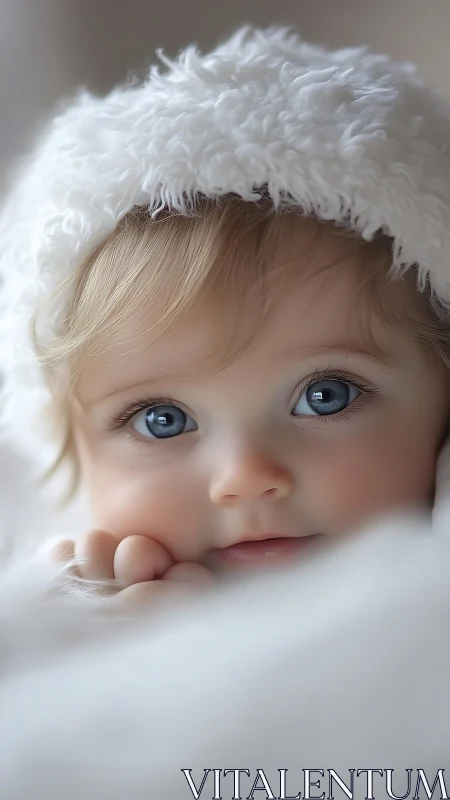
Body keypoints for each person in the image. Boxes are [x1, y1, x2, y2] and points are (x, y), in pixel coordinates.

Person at [1, 26, 450, 608]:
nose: (244, 477)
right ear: (73, 453)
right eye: (161, 419)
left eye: (326, 395)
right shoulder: (75, 620)